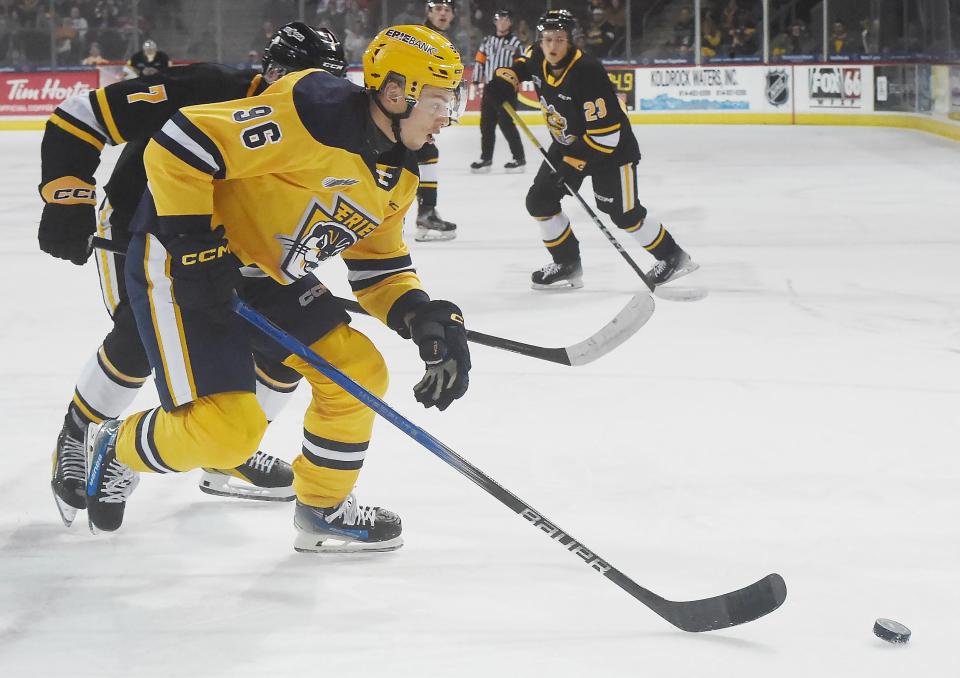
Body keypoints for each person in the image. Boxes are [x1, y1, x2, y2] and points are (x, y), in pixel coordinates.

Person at [82, 24, 472, 553]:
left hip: (265, 276)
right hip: (181, 265)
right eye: (438, 100)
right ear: (394, 92)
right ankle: (117, 446)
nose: (447, 116)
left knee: (359, 370)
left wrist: (418, 314)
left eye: (453, 100)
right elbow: (179, 141)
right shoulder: (316, 108)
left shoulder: (399, 172)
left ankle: (322, 507)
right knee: (228, 432)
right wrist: (196, 246)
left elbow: (378, 267)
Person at [38, 23, 348, 528]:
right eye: (301, 79)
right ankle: (80, 432)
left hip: (228, 242)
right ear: (271, 72)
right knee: (139, 337)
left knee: (292, 341)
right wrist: (68, 197)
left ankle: (226, 451)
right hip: (142, 230)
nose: (315, 96)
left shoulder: (327, 120)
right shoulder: (207, 88)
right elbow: (79, 117)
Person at [484, 9, 697, 290]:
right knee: (540, 201)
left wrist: (570, 165)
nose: (552, 46)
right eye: (547, 39)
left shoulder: (587, 72)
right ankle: (567, 263)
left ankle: (673, 256)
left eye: (559, 39)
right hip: (567, 144)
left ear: (572, 41)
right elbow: (521, 66)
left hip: (610, 153)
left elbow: (606, 137)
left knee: (623, 214)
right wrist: (505, 80)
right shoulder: (538, 54)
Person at [414, 0, 458, 241]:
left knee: (424, 154)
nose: (442, 13)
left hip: (420, 110)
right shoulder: (420, 38)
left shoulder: (443, 41)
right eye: (438, 9)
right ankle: (425, 212)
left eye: (447, 10)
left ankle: (426, 212)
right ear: (429, 12)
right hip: (408, 109)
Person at [469, 8, 524, 174]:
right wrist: (477, 81)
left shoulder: (515, 43)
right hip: (490, 90)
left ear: (510, 22)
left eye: (506, 19)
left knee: (507, 125)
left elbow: (520, 66)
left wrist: (512, 84)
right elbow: (480, 62)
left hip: (506, 91)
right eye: (499, 19)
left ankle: (519, 157)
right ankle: (486, 157)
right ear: (494, 22)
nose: (502, 22)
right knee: (486, 125)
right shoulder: (487, 41)